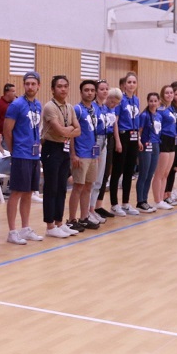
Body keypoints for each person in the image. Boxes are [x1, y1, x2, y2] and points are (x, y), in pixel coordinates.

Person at [3, 72, 44, 244]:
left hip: (34, 155)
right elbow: (7, 130)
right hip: (21, 154)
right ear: (24, 85)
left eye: (33, 84)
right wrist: (14, 151)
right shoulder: (16, 105)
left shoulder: (38, 105)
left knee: (28, 192)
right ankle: (12, 231)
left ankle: (25, 228)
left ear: (38, 86)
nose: (30, 87)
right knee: (17, 192)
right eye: (27, 84)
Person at [41, 75, 80, 237]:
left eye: (65, 86)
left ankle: (59, 222)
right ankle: (50, 226)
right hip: (51, 148)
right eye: (59, 86)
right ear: (52, 89)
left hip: (64, 148)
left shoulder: (69, 107)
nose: (63, 89)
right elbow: (60, 131)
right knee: (51, 187)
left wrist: (68, 131)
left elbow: (79, 130)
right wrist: (70, 129)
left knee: (62, 188)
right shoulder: (49, 107)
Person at [109, 74, 141, 217]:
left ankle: (126, 203)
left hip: (133, 136)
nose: (131, 84)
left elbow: (136, 121)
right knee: (117, 170)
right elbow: (115, 121)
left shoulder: (136, 100)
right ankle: (114, 204)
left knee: (129, 171)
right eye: (129, 82)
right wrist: (117, 141)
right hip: (122, 135)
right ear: (124, 85)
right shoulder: (120, 99)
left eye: (134, 82)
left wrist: (138, 139)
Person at [69, 80, 99, 229]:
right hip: (81, 154)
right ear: (81, 92)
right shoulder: (77, 109)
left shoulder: (95, 109)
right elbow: (71, 133)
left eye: (92, 90)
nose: (90, 93)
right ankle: (72, 219)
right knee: (78, 187)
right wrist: (73, 154)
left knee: (88, 186)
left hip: (93, 154)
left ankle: (84, 217)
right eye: (86, 90)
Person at [91, 83, 120, 222]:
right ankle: (88, 210)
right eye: (102, 89)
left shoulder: (104, 108)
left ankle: (93, 208)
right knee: (93, 178)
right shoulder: (93, 107)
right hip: (95, 141)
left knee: (101, 178)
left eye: (106, 89)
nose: (104, 91)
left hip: (105, 140)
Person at [152, 84, 177, 209]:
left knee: (166, 173)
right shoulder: (160, 110)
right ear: (162, 95)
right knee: (159, 173)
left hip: (172, 140)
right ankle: (157, 200)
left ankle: (162, 198)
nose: (169, 95)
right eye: (167, 93)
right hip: (164, 140)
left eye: (171, 92)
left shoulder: (172, 109)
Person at [135, 91, 160, 211]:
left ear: (159, 102)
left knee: (150, 174)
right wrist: (139, 141)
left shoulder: (158, 116)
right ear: (148, 102)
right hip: (145, 145)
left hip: (156, 145)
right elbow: (139, 131)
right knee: (143, 174)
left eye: (155, 101)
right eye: (151, 101)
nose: (153, 103)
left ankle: (145, 200)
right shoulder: (144, 115)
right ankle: (140, 201)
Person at [0, 83, 16, 147]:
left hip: (13, 135)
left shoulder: (14, 104)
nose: (15, 93)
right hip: (3, 136)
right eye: (13, 91)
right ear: (7, 93)